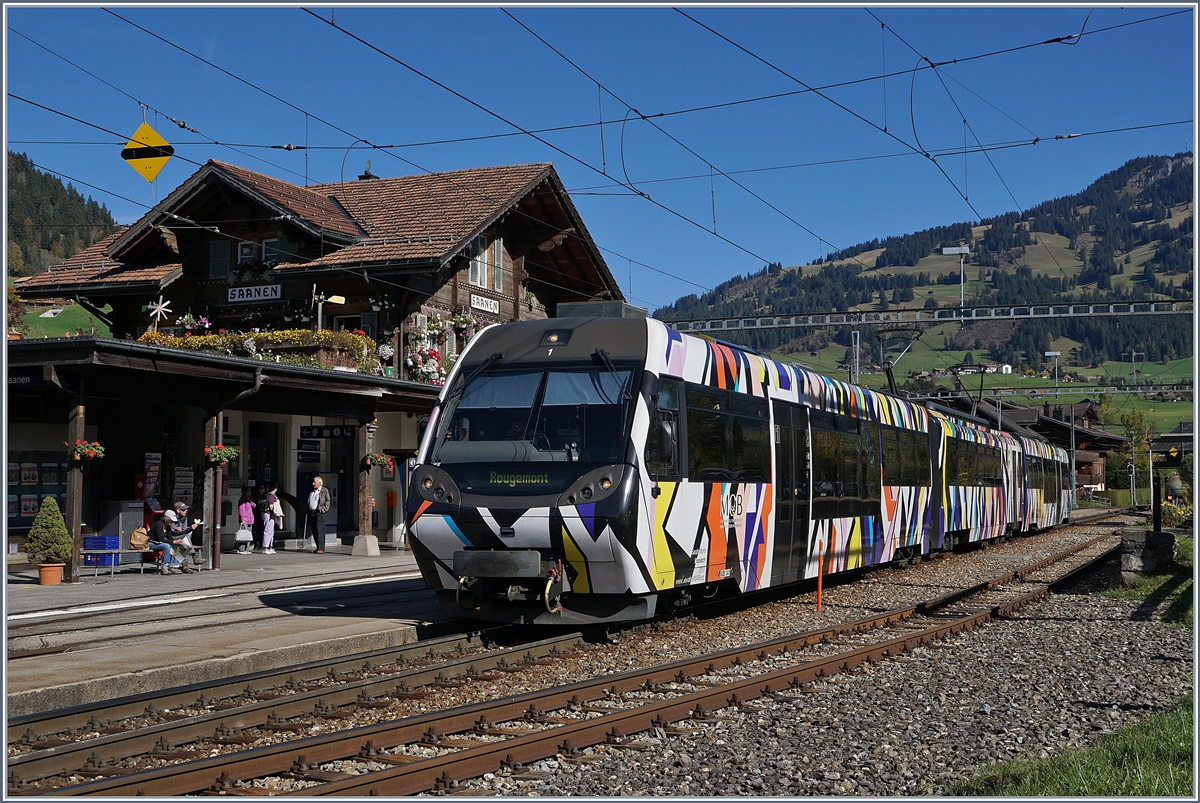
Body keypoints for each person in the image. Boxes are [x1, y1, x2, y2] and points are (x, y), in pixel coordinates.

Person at [147, 510, 183, 575]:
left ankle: (173, 566)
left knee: (175, 545)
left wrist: (175, 542)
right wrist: (173, 541)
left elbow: (170, 538)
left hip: (159, 543)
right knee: (167, 546)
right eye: (171, 520)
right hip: (152, 543)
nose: (172, 522)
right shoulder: (158, 524)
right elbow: (160, 539)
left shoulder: (168, 527)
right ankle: (165, 566)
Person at [170, 502, 202, 566]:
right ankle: (194, 556)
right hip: (171, 537)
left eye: (186, 509)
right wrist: (189, 529)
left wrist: (188, 529)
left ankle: (185, 565)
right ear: (178, 510)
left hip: (181, 536)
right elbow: (173, 533)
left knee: (186, 546)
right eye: (183, 509)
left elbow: (183, 530)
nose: (186, 511)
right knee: (186, 538)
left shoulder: (184, 518)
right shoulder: (171, 518)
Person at [306, 476, 332, 554]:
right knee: (314, 530)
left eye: (315, 482)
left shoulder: (324, 490)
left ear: (319, 483)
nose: (313, 483)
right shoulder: (312, 492)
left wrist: (323, 510)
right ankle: (317, 547)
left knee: (320, 530)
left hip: (320, 512)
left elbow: (328, 501)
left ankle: (321, 548)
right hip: (312, 512)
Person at [261, 482, 279, 554]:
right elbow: (271, 506)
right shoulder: (271, 496)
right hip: (268, 514)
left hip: (269, 514)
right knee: (268, 530)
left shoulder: (270, 495)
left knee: (270, 530)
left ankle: (269, 546)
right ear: (275, 488)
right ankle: (265, 548)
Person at [235, 486, 255, 555]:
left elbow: (254, 506)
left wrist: (250, 501)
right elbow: (241, 510)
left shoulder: (248, 499)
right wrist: (242, 519)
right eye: (249, 491)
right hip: (245, 519)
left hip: (250, 519)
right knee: (243, 535)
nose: (250, 492)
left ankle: (247, 549)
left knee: (248, 535)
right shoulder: (242, 500)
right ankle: (242, 549)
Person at [253, 483, 268, 551]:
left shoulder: (266, 496)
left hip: (263, 513)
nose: (261, 490)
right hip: (257, 514)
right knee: (258, 529)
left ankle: (263, 543)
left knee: (263, 529)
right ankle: (258, 543)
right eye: (260, 488)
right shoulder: (256, 496)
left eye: (262, 488)